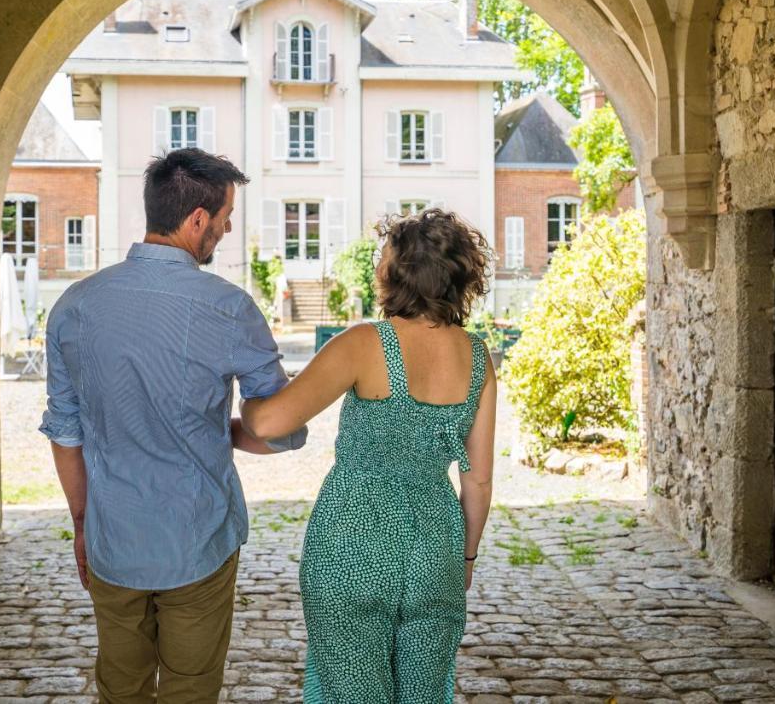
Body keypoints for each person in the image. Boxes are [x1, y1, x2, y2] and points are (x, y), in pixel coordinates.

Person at [40, 148, 306, 703]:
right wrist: (230, 432)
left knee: (121, 687)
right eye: (226, 219)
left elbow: (67, 433)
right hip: (198, 537)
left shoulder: (73, 306)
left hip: (114, 538)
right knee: (190, 688)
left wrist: (85, 525)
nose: (226, 231)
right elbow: (282, 426)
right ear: (197, 220)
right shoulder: (228, 308)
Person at [241, 208, 497, 703]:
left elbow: (271, 422)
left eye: (384, 256)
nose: (378, 265)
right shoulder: (479, 355)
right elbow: (478, 482)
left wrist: (248, 402)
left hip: (352, 541)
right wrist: (465, 557)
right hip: (435, 546)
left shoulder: (365, 344)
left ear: (401, 271)